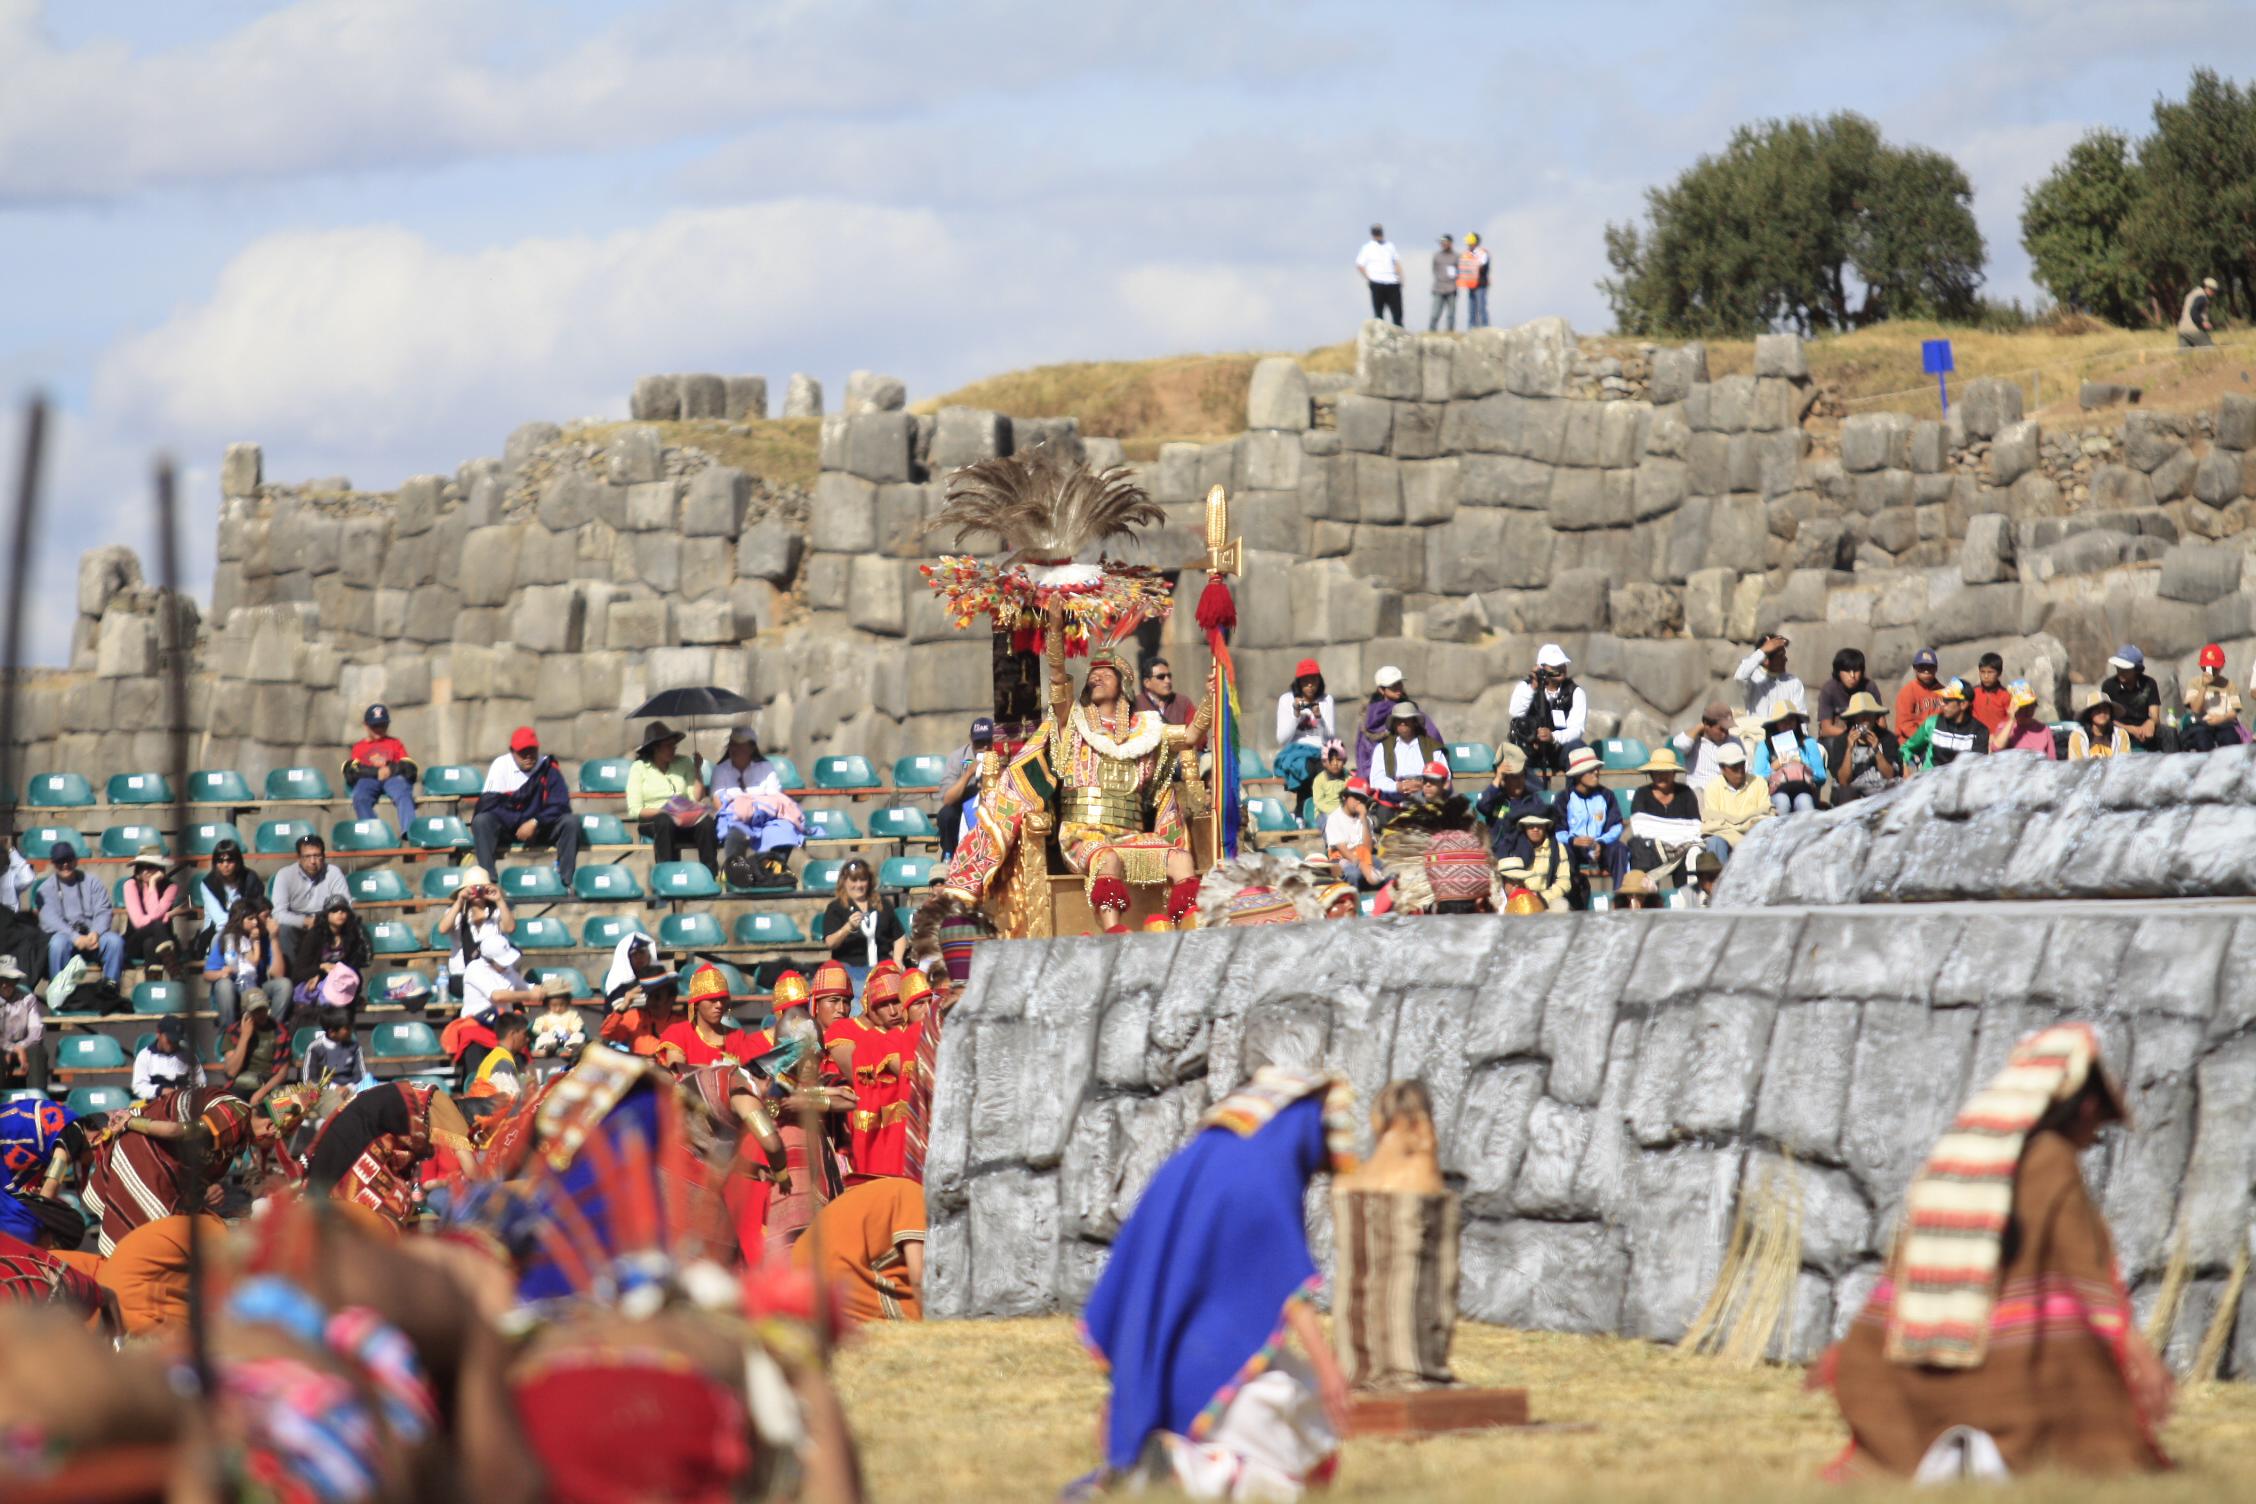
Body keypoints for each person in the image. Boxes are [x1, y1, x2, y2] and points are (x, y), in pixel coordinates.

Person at [1822, 1023, 2169, 1479]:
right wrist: (2129, 1346)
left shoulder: (1958, 1157)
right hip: (2013, 1381)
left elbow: (1907, 1269)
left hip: (1917, 1378)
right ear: (2084, 1106)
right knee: (2079, 1355)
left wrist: (1858, 1348)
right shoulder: (2050, 1160)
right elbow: (2083, 1268)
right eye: (2096, 1113)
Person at [1074, 1069, 1356, 1501]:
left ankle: (1143, 1455)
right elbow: (1285, 1283)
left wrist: (1128, 1380)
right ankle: (1192, 1469)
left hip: (1164, 1344)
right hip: (1213, 1367)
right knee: (1294, 1412)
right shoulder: (1265, 1173)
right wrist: (1328, 1368)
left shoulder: (1202, 1156)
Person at [939, 599, 1210, 933]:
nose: (1095, 677)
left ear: (1122, 685)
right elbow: (1057, 682)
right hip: (1083, 834)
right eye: (1092, 675)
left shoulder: (1146, 728)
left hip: (1130, 834)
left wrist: (1213, 692)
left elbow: (1194, 733)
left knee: (1182, 859)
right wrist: (1054, 627)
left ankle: (1191, 930)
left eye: (1104, 674)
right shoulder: (1074, 723)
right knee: (1106, 858)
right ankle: (1114, 934)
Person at [789, 1175, 927, 1324]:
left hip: (802, 1275)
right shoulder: (917, 1196)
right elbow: (919, 1278)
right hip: (834, 1274)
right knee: (913, 1314)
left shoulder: (892, 1189)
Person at [829, 966, 916, 1181]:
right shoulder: (870, 1040)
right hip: (879, 1140)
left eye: (896, 1001)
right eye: (884, 1005)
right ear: (871, 1008)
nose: (894, 1011)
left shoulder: (914, 1033)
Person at [471, 724, 581, 886]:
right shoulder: (501, 766)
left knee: (571, 822)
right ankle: (489, 882)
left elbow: (560, 804)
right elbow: (488, 804)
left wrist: (535, 822)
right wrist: (520, 823)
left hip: (540, 827)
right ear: (512, 751)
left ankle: (566, 881)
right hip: (509, 828)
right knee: (482, 821)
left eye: (532, 750)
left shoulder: (547, 767)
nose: (528, 756)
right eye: (523, 752)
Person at [709, 723, 804, 888]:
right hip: (734, 816)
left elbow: (775, 796)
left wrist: (754, 806)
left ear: (751, 748)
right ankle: (736, 875)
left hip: (764, 817)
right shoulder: (721, 769)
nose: (734, 749)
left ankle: (770, 873)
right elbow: (717, 800)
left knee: (784, 831)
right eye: (732, 744)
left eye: (739, 745)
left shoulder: (765, 768)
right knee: (736, 834)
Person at [625, 720, 720, 873]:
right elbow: (635, 810)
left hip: (684, 819)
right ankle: (666, 876)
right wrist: (665, 812)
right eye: (668, 746)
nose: (673, 749)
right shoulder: (639, 768)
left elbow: (695, 798)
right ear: (655, 748)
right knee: (665, 821)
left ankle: (710, 874)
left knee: (706, 823)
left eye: (673, 745)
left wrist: (697, 771)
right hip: (656, 821)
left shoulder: (683, 763)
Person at [445, 869, 536, 1024]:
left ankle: (505, 1018)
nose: (477, 893)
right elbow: (443, 929)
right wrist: (460, 901)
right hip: (463, 973)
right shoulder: (456, 913)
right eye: (472, 888)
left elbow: (510, 928)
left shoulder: (495, 912)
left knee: (504, 983)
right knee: (496, 990)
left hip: (494, 971)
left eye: (481, 888)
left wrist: (499, 900)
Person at [819, 858, 906, 997]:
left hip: (882, 966)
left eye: (863, 880)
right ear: (844, 881)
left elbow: (899, 936)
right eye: (854, 880)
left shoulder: (883, 904)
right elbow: (830, 942)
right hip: (851, 968)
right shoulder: (836, 908)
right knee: (861, 999)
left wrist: (897, 960)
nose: (858, 885)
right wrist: (847, 928)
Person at [37, 842, 121, 986]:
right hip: (67, 937)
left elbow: (104, 910)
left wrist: (96, 932)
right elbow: (49, 920)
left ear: (76, 860)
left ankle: (110, 989)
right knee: (57, 944)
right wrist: (75, 937)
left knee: (115, 941)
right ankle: (58, 992)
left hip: (92, 937)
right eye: (59, 862)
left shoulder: (93, 882)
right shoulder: (45, 889)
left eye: (68, 859)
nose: (65, 865)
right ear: (53, 864)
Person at [203, 897, 289, 1032]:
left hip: (256, 988)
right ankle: (229, 1034)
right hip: (233, 989)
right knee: (224, 985)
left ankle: (272, 1031)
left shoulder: (264, 938)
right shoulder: (227, 939)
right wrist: (223, 973)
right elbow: (208, 973)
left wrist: (274, 939)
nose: (270, 921)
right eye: (266, 916)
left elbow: (278, 975)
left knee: (284, 985)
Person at [1506, 643, 1589, 781]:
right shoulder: (1525, 687)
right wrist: (1533, 687)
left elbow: (1577, 729)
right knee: (1515, 754)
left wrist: (1553, 737)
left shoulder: (1575, 692)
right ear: (1542, 668)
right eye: (1555, 667)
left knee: (1578, 749)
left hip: (1559, 749)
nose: (1560, 669)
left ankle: (1572, 798)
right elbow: (1515, 713)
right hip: (1531, 749)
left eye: (1562, 665)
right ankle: (1530, 800)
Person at [660, 965, 768, 1069]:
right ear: (696, 1003)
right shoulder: (678, 1033)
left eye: (722, 999)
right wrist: (712, 1070)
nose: (719, 1005)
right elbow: (677, 1070)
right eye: (711, 999)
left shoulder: (737, 1037)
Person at [1555, 746, 1627, 889]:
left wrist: (1601, 842)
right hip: (1574, 847)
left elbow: (1616, 826)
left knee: (1620, 849)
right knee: (1563, 851)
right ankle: (1572, 896)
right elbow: (1557, 830)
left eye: (1596, 768)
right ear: (1577, 774)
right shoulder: (1564, 798)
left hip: (1601, 846)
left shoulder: (1607, 795)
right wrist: (1573, 840)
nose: (1596, 772)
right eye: (1590, 769)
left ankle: (1622, 896)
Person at [1626, 748, 1702, 882]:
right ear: (1651, 774)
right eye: (1658, 773)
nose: (1662, 776)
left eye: (1666, 772)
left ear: (1673, 773)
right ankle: (1646, 898)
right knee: (1638, 846)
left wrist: (1662, 830)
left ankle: (1687, 898)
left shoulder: (1686, 793)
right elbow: (1640, 828)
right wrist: (1677, 830)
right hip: (1651, 849)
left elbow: (1695, 827)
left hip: (1682, 848)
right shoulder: (1642, 794)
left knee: (1693, 853)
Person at [1354, 665, 1444, 778]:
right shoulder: (1407, 710)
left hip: (1383, 775)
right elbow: (1363, 749)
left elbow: (1360, 753)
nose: (1398, 688)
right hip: (1385, 775)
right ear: (1381, 689)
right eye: (1393, 685)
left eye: (1399, 683)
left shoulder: (1367, 714)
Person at [1273, 659, 1336, 816]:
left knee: (1325, 767)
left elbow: (1329, 739)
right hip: (1296, 752)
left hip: (1320, 751)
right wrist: (1296, 715)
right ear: (1299, 682)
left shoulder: (1326, 700)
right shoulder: (1287, 700)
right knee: (1305, 767)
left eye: (1313, 680)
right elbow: (1282, 739)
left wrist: (1319, 717)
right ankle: (1303, 813)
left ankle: (1313, 813)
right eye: (1305, 680)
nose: (1310, 685)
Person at [290, 895, 370, 1015]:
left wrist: (335, 972)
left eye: (343, 910)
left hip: (340, 981)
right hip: (314, 980)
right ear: (326, 914)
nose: (340, 913)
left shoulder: (352, 935)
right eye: (334, 910)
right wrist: (320, 969)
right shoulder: (314, 936)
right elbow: (298, 972)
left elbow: (354, 965)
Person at [345, 702, 417, 830]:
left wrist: (390, 769)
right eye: (375, 726)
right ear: (366, 726)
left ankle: (410, 830)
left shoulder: (395, 743)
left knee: (403, 793)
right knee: (360, 797)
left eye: (382, 725)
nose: (379, 729)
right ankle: (374, 832)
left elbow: (409, 768)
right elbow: (352, 771)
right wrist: (375, 772)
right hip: (368, 780)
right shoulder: (359, 747)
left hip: (393, 779)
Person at [1823, 692, 1903, 804]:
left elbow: (1890, 775)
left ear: (1875, 716)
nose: (1865, 720)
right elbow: (1843, 781)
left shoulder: (1887, 738)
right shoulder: (1842, 740)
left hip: (1880, 788)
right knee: (1845, 793)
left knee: (1894, 790)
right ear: (1854, 718)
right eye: (1860, 716)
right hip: (1853, 790)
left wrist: (1876, 750)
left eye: (1869, 715)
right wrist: (1849, 749)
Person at [1472, 743, 1550, 858]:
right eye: (1513, 777)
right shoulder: (1496, 800)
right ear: (1504, 779)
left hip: (1526, 857)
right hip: (1499, 857)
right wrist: (1498, 778)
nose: (1518, 781)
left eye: (1521, 776)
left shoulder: (1533, 801)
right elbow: (1482, 805)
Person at [1366, 701, 1444, 813]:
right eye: (1399, 720)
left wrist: (1424, 785)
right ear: (1394, 723)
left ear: (1414, 722)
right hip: (1394, 801)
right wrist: (1398, 786)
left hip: (1426, 798)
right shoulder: (1382, 748)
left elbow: (1445, 775)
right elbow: (1376, 780)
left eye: (1407, 719)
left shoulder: (1431, 746)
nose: (1403, 723)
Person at [1697, 742, 1769, 864]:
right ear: (1722, 769)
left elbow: (1766, 814)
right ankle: (1722, 882)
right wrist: (1744, 824)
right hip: (1725, 836)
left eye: (1742, 765)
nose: (1740, 770)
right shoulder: (1712, 788)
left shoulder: (1759, 782)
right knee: (1715, 842)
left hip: (1754, 834)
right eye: (1734, 767)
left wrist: (1739, 825)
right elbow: (1714, 824)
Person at [935, 716, 994, 860]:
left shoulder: (1000, 753)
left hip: (993, 803)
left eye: (988, 741)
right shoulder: (960, 758)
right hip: (964, 804)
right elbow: (948, 799)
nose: (985, 747)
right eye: (979, 742)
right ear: (971, 740)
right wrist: (968, 774)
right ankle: (949, 855)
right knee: (946, 814)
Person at [1753, 701, 1827, 814]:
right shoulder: (1765, 746)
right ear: (1775, 724)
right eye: (1783, 721)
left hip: (1803, 789)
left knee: (1804, 802)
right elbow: (1758, 776)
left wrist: (1803, 766)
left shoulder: (1809, 743)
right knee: (1782, 801)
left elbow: (1821, 776)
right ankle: (1779, 831)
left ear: (1797, 722)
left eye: (1791, 720)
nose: (1788, 725)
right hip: (1776, 791)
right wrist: (1776, 765)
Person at [120, 846, 184, 978]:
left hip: (158, 944)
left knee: (150, 942)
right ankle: (174, 970)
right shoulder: (130, 885)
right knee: (157, 925)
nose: (145, 872)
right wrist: (165, 916)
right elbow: (138, 922)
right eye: (141, 867)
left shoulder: (171, 887)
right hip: (134, 942)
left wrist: (152, 885)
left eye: (150, 867)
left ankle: (152, 986)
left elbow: (154, 912)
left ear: (160, 868)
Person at [1903, 677, 1991, 771]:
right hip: (1929, 780)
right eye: (1943, 699)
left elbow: (1978, 767)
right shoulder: (1932, 723)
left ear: (1963, 704)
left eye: (1947, 701)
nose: (1943, 704)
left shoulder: (1980, 731)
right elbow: (1907, 748)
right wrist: (1906, 765)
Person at [192, 839, 263, 954]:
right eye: (220, 860)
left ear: (238, 861)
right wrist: (242, 925)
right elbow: (220, 920)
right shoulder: (208, 884)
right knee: (221, 939)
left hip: (251, 926)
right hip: (219, 930)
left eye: (230, 860)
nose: (225, 865)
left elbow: (257, 907)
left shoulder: (250, 878)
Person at [269, 833, 348, 935]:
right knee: (283, 929)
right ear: (298, 858)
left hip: (326, 920)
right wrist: (305, 921)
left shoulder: (333, 872)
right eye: (307, 856)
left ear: (323, 856)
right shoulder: (285, 875)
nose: (313, 861)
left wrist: (326, 920)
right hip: (296, 921)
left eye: (317, 856)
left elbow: (346, 904)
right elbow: (278, 913)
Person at [218, 988, 288, 1098]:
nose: (261, 1014)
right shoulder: (234, 1032)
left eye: (263, 1009)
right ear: (246, 1013)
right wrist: (244, 1037)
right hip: (243, 1084)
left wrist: (261, 1093)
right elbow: (231, 1072)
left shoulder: (280, 1032)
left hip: (270, 1084)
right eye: (256, 1011)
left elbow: (282, 1073)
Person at [1496, 809, 1571, 911]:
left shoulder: (1558, 848)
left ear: (1546, 827)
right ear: (1525, 827)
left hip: (1546, 899)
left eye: (1540, 826)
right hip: (1519, 898)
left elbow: (1564, 881)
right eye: (1531, 826)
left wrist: (1542, 897)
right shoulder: (1512, 847)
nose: (1535, 829)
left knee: (1562, 906)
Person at [2182, 643, 2249, 752]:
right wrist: (2204, 686)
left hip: (2224, 724)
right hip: (2201, 725)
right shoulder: (2194, 683)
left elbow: (2235, 710)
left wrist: (2221, 719)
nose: (2210, 671)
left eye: (2214, 668)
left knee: (2231, 739)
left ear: (2221, 667)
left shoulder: (2229, 685)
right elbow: (2195, 709)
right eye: (2207, 667)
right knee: (2202, 741)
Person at [2102, 645, 2170, 752]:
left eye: (2125, 669)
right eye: (2118, 667)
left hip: (2144, 729)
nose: (2120, 671)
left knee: (2169, 733)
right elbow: (2106, 718)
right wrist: (2131, 729)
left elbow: (2155, 715)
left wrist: (2150, 723)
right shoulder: (2109, 686)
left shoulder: (2149, 684)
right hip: (2119, 729)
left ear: (2137, 670)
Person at [1323, 777, 1383, 889]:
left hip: (1364, 855)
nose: (1359, 801)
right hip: (1342, 858)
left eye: (1362, 799)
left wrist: (1363, 819)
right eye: (1356, 797)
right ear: (1345, 797)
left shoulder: (1366, 819)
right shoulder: (1334, 818)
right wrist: (1362, 866)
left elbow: (1368, 848)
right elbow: (1343, 850)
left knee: (1388, 868)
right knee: (1354, 874)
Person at [1672, 701, 1739, 793]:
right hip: (1701, 795)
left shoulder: (1735, 741)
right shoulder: (1694, 742)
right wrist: (1701, 726)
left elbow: (1747, 768)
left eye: (1727, 729)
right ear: (1706, 725)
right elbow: (1680, 744)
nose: (1725, 733)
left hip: (1728, 795)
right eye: (1721, 729)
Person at [131, 1016, 204, 1099]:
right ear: (158, 1034)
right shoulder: (145, 1056)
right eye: (169, 1039)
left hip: (183, 1103)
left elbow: (201, 1082)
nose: (173, 1043)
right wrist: (161, 1090)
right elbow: (138, 1087)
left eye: (176, 1040)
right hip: (155, 1104)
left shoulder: (189, 1056)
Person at [1734, 633, 1803, 721]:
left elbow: (1801, 718)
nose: (1785, 659)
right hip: (1757, 733)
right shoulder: (1752, 679)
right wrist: (1763, 650)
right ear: (1765, 660)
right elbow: (1739, 677)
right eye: (1781, 656)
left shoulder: (1794, 683)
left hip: (1784, 734)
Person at [0, 835, 38, 987]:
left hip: (11, 930)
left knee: (34, 938)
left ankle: (24, 988)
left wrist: (10, 850)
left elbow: (28, 878)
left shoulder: (9, 875)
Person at [0, 959, 40, 1092]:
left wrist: (20, 1047)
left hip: (24, 1043)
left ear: (16, 980)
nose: (5, 985)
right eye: (1, 980)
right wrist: (11, 1048)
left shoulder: (28, 998)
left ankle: (37, 1100)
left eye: (9, 980)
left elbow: (36, 1031)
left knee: (37, 1052)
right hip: (2, 1045)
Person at [469, 1012, 531, 1098]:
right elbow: (512, 1100)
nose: (527, 1039)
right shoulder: (503, 1062)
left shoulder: (495, 1056)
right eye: (524, 1034)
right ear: (512, 1034)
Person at [1992, 683, 2061, 758]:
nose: (2028, 711)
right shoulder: (2004, 728)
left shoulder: (2044, 730)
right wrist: (2011, 719)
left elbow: (2052, 760)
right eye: (2023, 707)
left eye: (2031, 706)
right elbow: (1996, 748)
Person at [1813, 648, 1869, 737]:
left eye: (1856, 670)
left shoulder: (1868, 687)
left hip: (1865, 733)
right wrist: (1852, 736)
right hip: (1839, 736)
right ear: (1838, 672)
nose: (1852, 676)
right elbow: (1826, 729)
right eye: (1847, 671)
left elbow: (1881, 723)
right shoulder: (1829, 689)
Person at [1894, 647, 1946, 742]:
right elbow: (1905, 724)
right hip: (1911, 742)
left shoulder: (1943, 691)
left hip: (1937, 741)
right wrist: (1923, 739)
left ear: (1936, 668)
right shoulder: (1908, 691)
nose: (1926, 670)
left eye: (1930, 667)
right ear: (1915, 668)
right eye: (1922, 667)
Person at [1355, 222, 1403, 325]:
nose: (1378, 235)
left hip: (1392, 282)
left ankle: (1399, 335)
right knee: (1379, 314)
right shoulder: (1367, 247)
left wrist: (1399, 277)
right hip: (1377, 282)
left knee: (1397, 313)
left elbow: (1397, 262)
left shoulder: (1390, 246)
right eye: (1376, 232)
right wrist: (1369, 278)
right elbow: (1359, 265)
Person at [301, 1011, 365, 1086]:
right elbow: (309, 1080)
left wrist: (349, 1087)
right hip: (324, 1092)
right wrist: (333, 1088)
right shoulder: (315, 1048)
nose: (351, 1031)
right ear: (332, 1032)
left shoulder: (355, 1047)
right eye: (347, 1028)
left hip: (351, 1090)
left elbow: (360, 1075)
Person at [531, 975, 587, 1059]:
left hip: (567, 1037)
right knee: (543, 1037)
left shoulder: (572, 1013)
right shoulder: (544, 1015)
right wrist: (542, 1029)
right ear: (548, 1004)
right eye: (554, 1005)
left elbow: (578, 1023)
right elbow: (536, 1026)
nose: (558, 1008)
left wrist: (572, 1030)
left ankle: (573, 1047)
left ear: (567, 1003)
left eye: (561, 1005)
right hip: (551, 1037)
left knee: (579, 1035)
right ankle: (546, 1047)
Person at [1135, 657, 1200, 730]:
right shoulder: (1135, 704)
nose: (1167, 681)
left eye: (1169, 676)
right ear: (1147, 683)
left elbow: (1199, 736)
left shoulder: (1183, 702)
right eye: (1161, 677)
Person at [2069, 691, 2131, 760]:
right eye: (2097, 709)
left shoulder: (2120, 734)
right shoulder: (2078, 736)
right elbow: (2076, 765)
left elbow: (2125, 763)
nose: (2102, 713)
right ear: (2089, 713)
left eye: (2105, 709)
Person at [1968, 653, 2013, 743]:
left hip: (1998, 741)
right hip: (1975, 739)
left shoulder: (2006, 695)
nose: (1986, 676)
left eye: (1990, 672)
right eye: (1982, 672)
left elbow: (2010, 720)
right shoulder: (1973, 692)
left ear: (1999, 673)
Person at [1308, 741, 1350, 818]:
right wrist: (1336, 812)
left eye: (1339, 759)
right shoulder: (1319, 780)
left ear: (1344, 761)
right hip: (1325, 814)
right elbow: (1319, 802)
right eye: (1331, 760)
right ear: (1324, 762)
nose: (1335, 763)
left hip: (1344, 813)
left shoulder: (1349, 778)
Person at [1458, 230, 1490, 329]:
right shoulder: (1466, 254)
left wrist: (1473, 266)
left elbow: (1483, 267)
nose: (1468, 244)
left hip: (1480, 284)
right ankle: (1471, 328)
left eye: (1470, 242)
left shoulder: (1482, 253)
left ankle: (1484, 327)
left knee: (1481, 307)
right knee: (1471, 308)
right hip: (1471, 284)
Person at [1427, 232, 1458, 331]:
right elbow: (1434, 270)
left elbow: (1459, 271)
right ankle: (1431, 331)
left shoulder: (1456, 256)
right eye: (1441, 242)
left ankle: (1450, 332)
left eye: (1445, 242)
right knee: (1435, 313)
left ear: (1450, 243)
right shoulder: (1436, 256)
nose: (1443, 244)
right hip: (1438, 288)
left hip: (1452, 288)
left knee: (1451, 314)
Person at [2178, 275, 2218, 348]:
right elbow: (2194, 312)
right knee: (2210, 349)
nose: (2214, 293)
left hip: (2182, 329)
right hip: (2193, 329)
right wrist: (2203, 322)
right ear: (2207, 287)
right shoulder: (2202, 297)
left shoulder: (2192, 294)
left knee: (2185, 355)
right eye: (2213, 290)